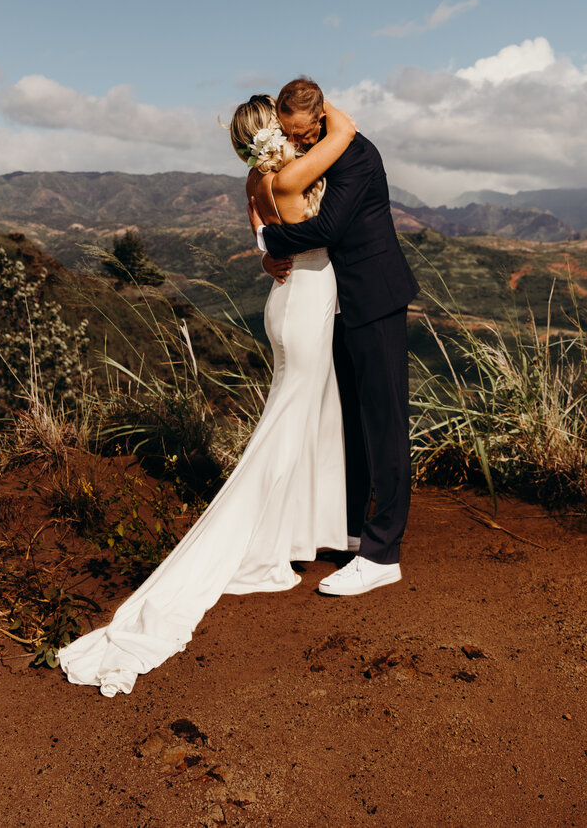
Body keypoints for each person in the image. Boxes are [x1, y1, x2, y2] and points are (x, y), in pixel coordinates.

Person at [57, 93, 358, 698]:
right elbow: (344, 132)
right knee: (288, 427)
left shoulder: (255, 179)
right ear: (275, 131)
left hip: (286, 300)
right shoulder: (294, 172)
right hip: (307, 301)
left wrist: (274, 254)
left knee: (305, 418)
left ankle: (305, 530)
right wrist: (322, 116)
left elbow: (262, 243)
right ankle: (262, 537)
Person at [259, 76, 419, 597]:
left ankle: (382, 554)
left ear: (322, 118)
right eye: (289, 134)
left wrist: (269, 238)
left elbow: (328, 228)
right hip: (339, 303)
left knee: (385, 422)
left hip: (375, 297)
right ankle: (351, 532)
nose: (297, 143)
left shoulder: (355, 155)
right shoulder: (327, 147)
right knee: (351, 420)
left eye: (302, 133)